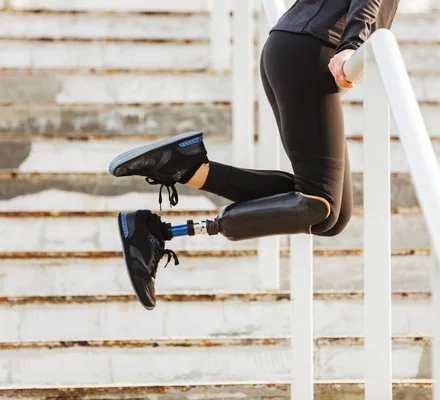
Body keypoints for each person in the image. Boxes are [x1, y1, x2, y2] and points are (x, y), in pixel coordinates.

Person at [109, 0, 401, 310]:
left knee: (332, 216)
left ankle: (172, 200)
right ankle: (177, 169)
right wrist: (352, 44)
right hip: (311, 52)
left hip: (298, 49)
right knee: (319, 204)